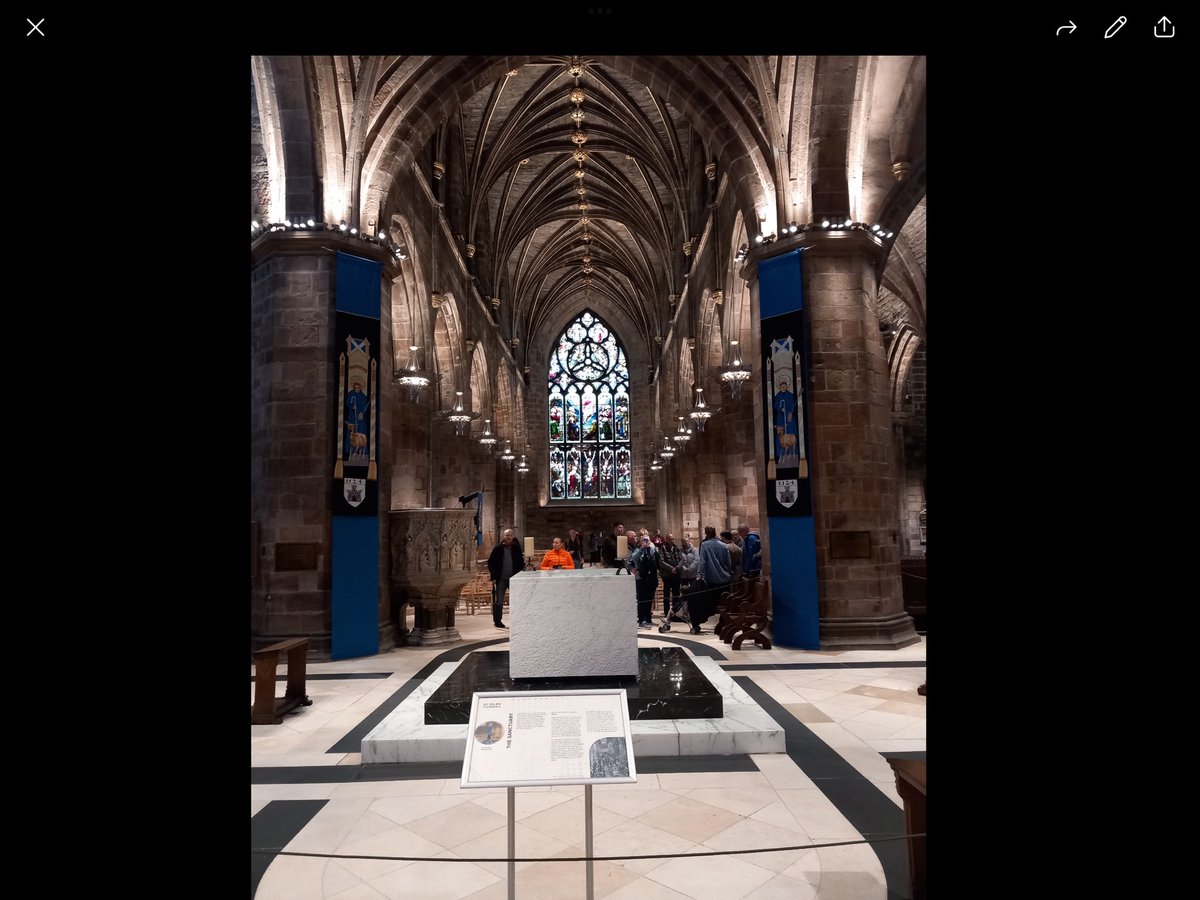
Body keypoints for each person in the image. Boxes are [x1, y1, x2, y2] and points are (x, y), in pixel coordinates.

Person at [693, 526, 732, 634]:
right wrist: (729, 572)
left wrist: (699, 575)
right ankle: (722, 624)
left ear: (706, 533)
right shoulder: (724, 545)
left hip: (711, 579)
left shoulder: (705, 545)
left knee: (710, 603)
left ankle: (706, 622)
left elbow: (702, 561)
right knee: (724, 603)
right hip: (724, 578)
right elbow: (728, 562)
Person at [486, 528, 523, 628]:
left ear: (513, 536)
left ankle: (518, 620)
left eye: (510, 535)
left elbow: (520, 563)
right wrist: (493, 576)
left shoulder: (516, 548)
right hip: (501, 578)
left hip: (514, 579)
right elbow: (491, 562)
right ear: (504, 536)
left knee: (517, 600)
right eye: (506, 535)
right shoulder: (498, 548)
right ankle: (497, 621)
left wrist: (520, 575)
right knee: (499, 600)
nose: (508, 537)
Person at [631, 535, 658, 628]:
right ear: (640, 541)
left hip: (651, 578)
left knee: (649, 599)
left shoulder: (652, 549)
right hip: (641, 578)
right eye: (644, 540)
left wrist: (653, 548)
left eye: (647, 540)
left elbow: (656, 560)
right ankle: (641, 619)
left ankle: (649, 619)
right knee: (642, 600)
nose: (646, 542)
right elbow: (634, 558)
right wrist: (642, 548)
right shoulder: (637, 549)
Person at [658, 532, 683, 619]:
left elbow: (681, 559)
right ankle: (666, 613)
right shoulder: (662, 548)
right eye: (670, 539)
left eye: (673, 539)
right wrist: (671, 569)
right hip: (667, 575)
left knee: (676, 594)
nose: (672, 541)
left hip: (676, 575)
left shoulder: (677, 548)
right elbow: (661, 561)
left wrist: (677, 568)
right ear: (666, 539)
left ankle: (675, 613)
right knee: (667, 595)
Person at [344, 380, 370, 460]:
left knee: (361, 435)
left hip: (360, 419)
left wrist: (362, 413)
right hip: (352, 417)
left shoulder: (363, 396)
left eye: (358, 388)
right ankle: (350, 452)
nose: (357, 389)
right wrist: (352, 407)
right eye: (355, 388)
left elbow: (366, 407)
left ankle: (363, 453)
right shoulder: (350, 394)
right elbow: (348, 403)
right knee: (352, 435)